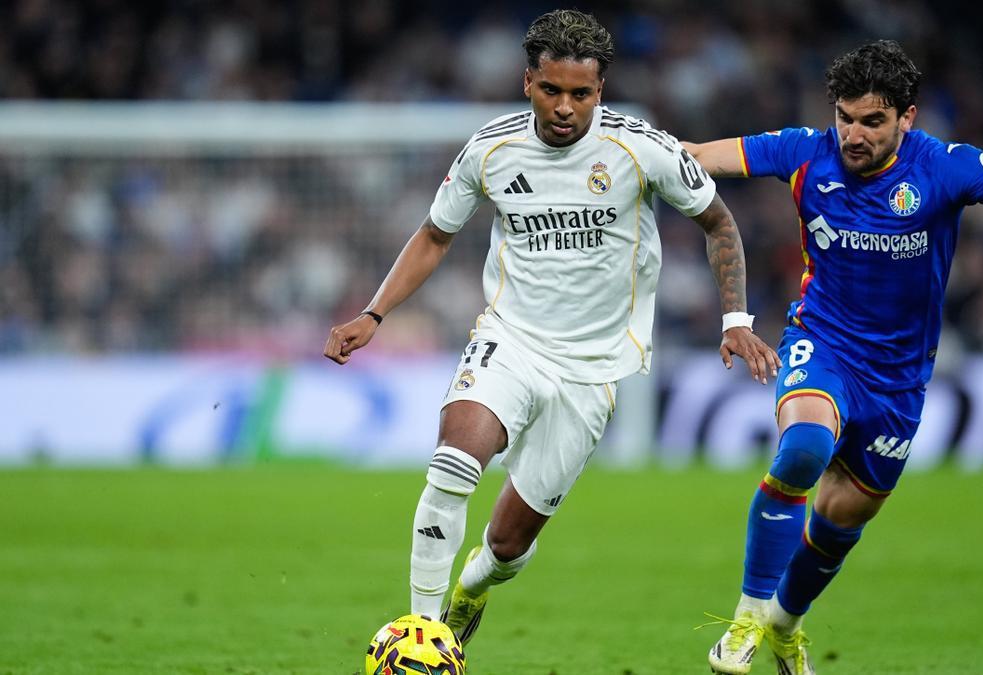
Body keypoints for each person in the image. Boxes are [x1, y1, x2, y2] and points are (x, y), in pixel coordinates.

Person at [323, 8, 780, 650]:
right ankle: (424, 637)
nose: (566, 107)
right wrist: (374, 313)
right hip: (510, 340)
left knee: (507, 548)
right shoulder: (491, 148)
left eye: (582, 93)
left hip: (592, 370)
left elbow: (720, 222)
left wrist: (736, 319)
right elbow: (433, 234)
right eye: (551, 90)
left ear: (601, 90)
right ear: (527, 83)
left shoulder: (640, 146)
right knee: (454, 463)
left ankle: (471, 591)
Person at [685, 40, 983, 675]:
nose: (853, 133)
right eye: (845, 116)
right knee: (803, 451)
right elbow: (697, 158)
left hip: (899, 380)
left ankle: (786, 626)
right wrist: (626, 150)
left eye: (872, 121)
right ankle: (745, 621)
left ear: (907, 117)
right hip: (824, 344)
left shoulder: (944, 167)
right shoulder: (802, 150)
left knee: (842, 519)